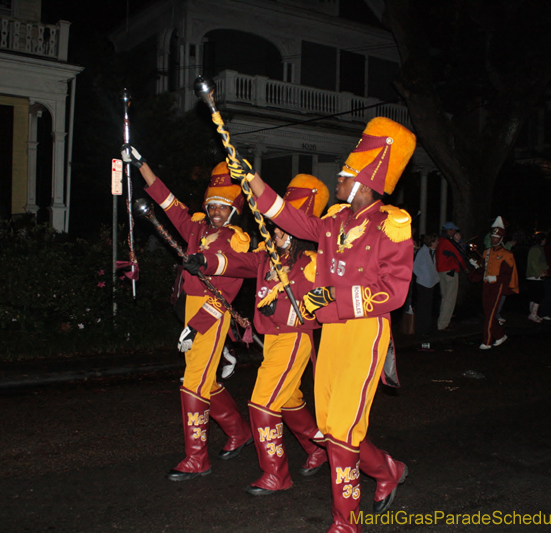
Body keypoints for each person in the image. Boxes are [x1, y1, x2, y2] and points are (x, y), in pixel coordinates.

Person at [231, 116, 416, 532]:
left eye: (345, 176)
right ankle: (387, 468)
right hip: (331, 333)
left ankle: (345, 523)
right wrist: (254, 181)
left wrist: (332, 297)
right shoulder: (334, 222)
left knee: (345, 430)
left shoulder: (392, 224)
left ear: (364, 183)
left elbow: (395, 292)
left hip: (366, 332)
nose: (338, 182)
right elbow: (294, 221)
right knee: (334, 428)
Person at [184, 174, 330, 496]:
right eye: (275, 226)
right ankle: (320, 448)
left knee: (261, 404)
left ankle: (277, 474)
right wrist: (205, 260)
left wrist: (282, 310)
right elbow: (236, 262)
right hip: (273, 341)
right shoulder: (268, 256)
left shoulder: (311, 263)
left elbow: (318, 307)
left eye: (282, 227)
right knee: (288, 401)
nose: (275, 231)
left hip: (293, 341)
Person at [129, 151, 253, 481]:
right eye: (211, 204)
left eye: (221, 206)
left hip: (212, 314)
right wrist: (143, 165)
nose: (214, 211)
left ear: (233, 210)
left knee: (192, 385)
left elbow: (223, 294)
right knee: (206, 380)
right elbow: (170, 204)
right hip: (193, 310)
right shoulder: (196, 228)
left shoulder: (236, 242)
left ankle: (197, 458)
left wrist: (196, 327)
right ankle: (240, 431)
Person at [472, 217, 519, 350]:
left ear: (501, 239)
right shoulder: (486, 252)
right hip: (486, 285)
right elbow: (482, 268)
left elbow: (508, 274)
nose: (493, 239)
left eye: (496, 237)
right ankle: (500, 336)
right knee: (488, 313)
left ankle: (487, 341)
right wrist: (476, 266)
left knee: (491, 314)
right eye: (492, 237)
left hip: (497, 286)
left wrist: (496, 278)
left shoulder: (506, 254)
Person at [435, 221, 467, 331]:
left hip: (441, 272)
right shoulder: (448, 242)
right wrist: (465, 267)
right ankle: (443, 324)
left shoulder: (440, 240)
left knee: (445, 298)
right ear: (449, 231)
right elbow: (459, 254)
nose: (455, 232)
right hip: (450, 272)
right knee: (450, 299)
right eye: (453, 230)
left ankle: (442, 322)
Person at [412, 233, 439, 336]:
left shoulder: (430, 252)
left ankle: (426, 328)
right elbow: (415, 267)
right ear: (431, 242)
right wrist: (423, 277)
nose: (437, 243)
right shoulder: (423, 252)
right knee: (423, 307)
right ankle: (421, 329)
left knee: (428, 307)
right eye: (436, 241)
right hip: (423, 284)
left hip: (430, 283)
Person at [525, 233, 549, 323]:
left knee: (534, 295)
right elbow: (534, 262)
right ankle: (533, 314)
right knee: (538, 295)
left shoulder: (538, 248)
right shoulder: (536, 249)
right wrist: (539, 272)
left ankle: (533, 313)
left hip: (535, 275)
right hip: (535, 276)